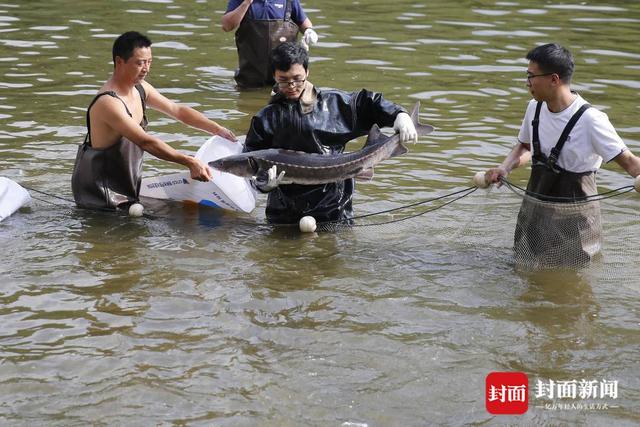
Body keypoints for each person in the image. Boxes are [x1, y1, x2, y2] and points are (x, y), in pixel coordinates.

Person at [483, 43, 640, 265]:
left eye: (531, 76)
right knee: (525, 272)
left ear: (554, 79)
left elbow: (631, 164)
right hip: (535, 209)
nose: (527, 82)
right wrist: (504, 168)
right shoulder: (534, 108)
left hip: (574, 220)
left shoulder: (591, 119)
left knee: (573, 281)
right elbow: (526, 147)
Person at [243, 41, 418, 224]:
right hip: (284, 212)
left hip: (335, 208)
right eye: (284, 80)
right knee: (283, 253)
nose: (292, 85)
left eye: (297, 78)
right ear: (274, 76)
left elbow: (368, 103)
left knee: (334, 250)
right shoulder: (265, 118)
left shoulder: (333, 103)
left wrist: (399, 114)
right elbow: (249, 165)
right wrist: (263, 185)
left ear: (307, 72)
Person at [72, 31, 236, 211]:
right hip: (99, 195)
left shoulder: (141, 88)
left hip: (126, 187)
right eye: (140, 63)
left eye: (149, 62)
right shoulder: (108, 103)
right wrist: (189, 161)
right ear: (119, 61)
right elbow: (146, 142)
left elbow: (177, 111)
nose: (146, 68)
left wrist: (217, 129)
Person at [221, 0, 318, 88]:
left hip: (284, 79)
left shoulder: (289, 1)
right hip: (250, 77)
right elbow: (226, 26)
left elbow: (305, 24)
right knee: (248, 103)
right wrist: (246, 3)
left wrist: (309, 31)